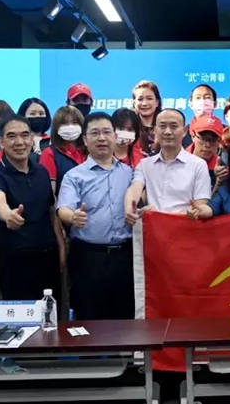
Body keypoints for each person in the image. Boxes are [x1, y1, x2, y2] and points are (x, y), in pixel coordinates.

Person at [57, 112, 135, 320]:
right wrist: (73, 217)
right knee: (89, 317)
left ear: (115, 137)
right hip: (88, 258)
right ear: (85, 139)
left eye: (107, 132)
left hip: (124, 256)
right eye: (95, 133)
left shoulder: (129, 173)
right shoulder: (74, 176)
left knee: (125, 318)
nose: (102, 138)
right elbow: (63, 208)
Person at [0, 115, 65, 301]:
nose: (19, 142)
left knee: (50, 313)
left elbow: (51, 212)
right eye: (11, 136)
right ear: (1, 141)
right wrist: (8, 215)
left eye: (25, 135)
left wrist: (61, 246)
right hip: (14, 261)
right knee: (19, 315)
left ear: (32, 138)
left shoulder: (41, 171)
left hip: (48, 258)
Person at [124, 109, 213, 220]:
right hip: (154, 228)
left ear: (185, 131)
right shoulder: (145, 165)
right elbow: (135, 188)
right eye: (162, 126)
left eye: (174, 126)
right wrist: (129, 207)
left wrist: (194, 212)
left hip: (184, 227)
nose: (167, 132)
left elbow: (200, 205)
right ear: (155, 130)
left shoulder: (198, 165)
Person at [39, 106, 88, 196]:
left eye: (75, 122)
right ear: (56, 127)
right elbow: (49, 194)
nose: (70, 127)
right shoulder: (49, 153)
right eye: (64, 123)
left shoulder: (90, 152)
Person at [0, 97, 53, 163]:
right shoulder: (10, 144)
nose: (37, 116)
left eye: (41, 113)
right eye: (32, 114)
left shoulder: (52, 141)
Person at [187, 115, 225, 188]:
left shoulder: (222, 170)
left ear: (220, 141)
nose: (207, 145)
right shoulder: (177, 161)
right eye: (203, 139)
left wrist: (219, 182)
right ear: (193, 136)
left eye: (213, 140)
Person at [182, 84, 218, 148]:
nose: (202, 101)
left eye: (207, 97)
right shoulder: (182, 134)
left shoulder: (225, 132)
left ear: (215, 104)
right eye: (198, 98)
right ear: (191, 104)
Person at [132, 80, 162, 156]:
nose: (144, 103)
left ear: (157, 102)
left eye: (149, 98)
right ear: (134, 103)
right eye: (140, 99)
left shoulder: (164, 128)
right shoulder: (130, 128)